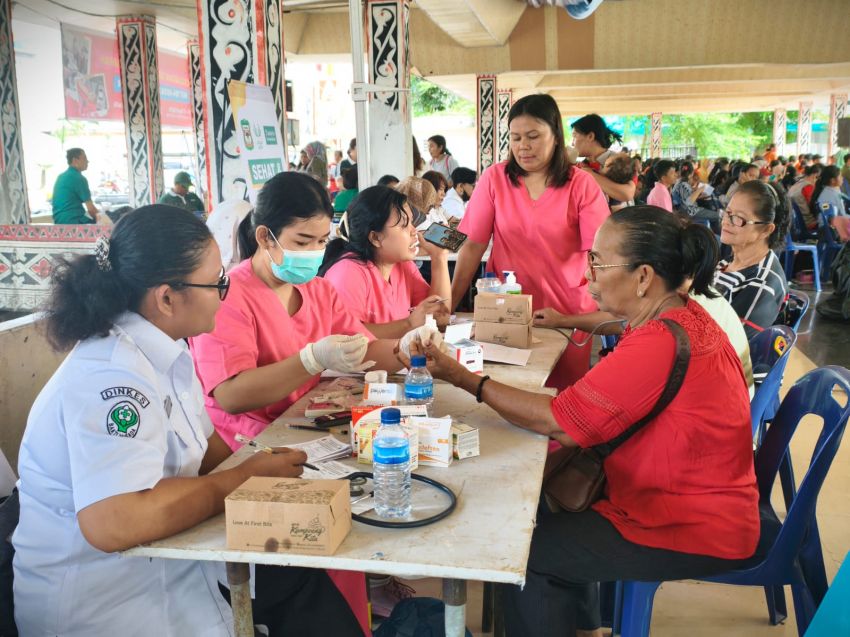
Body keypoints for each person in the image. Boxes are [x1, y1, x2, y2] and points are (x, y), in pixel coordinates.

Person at [13, 206, 364, 636]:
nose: (226, 291)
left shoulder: (166, 351)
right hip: (109, 600)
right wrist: (241, 480)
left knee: (303, 572)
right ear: (166, 297)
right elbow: (114, 521)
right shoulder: (111, 377)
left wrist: (271, 469)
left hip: (171, 564)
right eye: (217, 282)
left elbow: (207, 451)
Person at [409, 207, 760, 637]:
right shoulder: (681, 316)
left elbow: (559, 422)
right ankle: (583, 625)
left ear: (644, 276)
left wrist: (463, 378)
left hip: (687, 524)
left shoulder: (660, 341)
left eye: (597, 262)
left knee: (527, 555)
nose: (587, 275)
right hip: (695, 501)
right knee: (536, 504)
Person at [190, 172, 428, 634]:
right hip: (247, 450)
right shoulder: (231, 297)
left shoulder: (318, 289)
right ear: (266, 236)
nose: (314, 252)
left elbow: (361, 348)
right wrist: (311, 358)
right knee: (326, 552)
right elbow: (231, 393)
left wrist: (413, 350)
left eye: (322, 239)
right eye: (303, 239)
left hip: (309, 437)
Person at [451, 94, 610, 389]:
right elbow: (472, 245)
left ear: (556, 136)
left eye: (533, 136)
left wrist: (610, 313)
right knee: (507, 392)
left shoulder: (581, 184)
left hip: (566, 312)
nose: (523, 146)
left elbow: (598, 254)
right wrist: (450, 304)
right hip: (507, 312)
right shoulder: (494, 178)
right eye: (516, 137)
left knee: (564, 398)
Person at [320, 186, 450, 338]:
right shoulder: (348, 272)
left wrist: (439, 258)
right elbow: (346, 338)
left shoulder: (402, 265)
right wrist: (409, 324)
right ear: (375, 238)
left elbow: (440, 317)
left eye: (412, 223)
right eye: (404, 225)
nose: (414, 231)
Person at [715, 180, 790, 340]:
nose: (726, 221)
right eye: (727, 213)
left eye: (739, 218)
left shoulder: (764, 282)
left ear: (766, 230)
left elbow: (729, 345)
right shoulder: (727, 263)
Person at [570, 114, 636, 205]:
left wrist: (590, 174)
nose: (572, 143)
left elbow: (627, 193)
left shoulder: (618, 161)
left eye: (574, 136)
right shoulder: (584, 164)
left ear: (590, 136)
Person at [52, 148, 98, 224]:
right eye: (84, 158)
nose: (87, 161)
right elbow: (91, 209)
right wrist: (107, 221)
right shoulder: (79, 178)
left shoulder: (61, 177)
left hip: (58, 221)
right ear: (75, 160)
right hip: (73, 222)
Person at [671, 161, 721, 230]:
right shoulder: (684, 184)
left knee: (711, 202)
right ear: (691, 174)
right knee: (717, 215)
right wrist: (700, 189)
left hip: (685, 210)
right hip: (691, 212)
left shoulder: (679, 182)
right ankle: (717, 235)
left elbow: (686, 198)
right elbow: (688, 202)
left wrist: (698, 194)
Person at [788, 164, 822, 230]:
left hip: (795, 221)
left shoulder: (798, 183)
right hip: (808, 222)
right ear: (815, 175)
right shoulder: (808, 187)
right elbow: (814, 208)